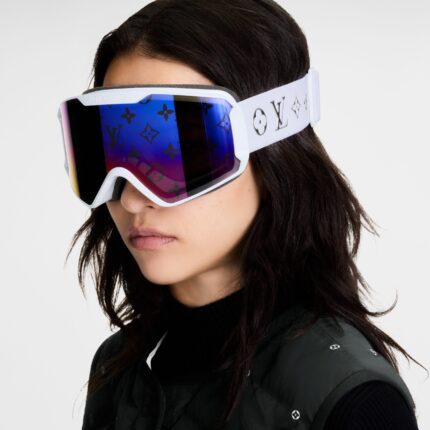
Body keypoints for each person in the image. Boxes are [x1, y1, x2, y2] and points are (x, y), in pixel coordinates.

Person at [59, 1, 426, 429]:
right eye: (109, 151)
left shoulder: (352, 401)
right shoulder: (120, 370)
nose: (132, 199)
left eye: (176, 153)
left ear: (274, 156)